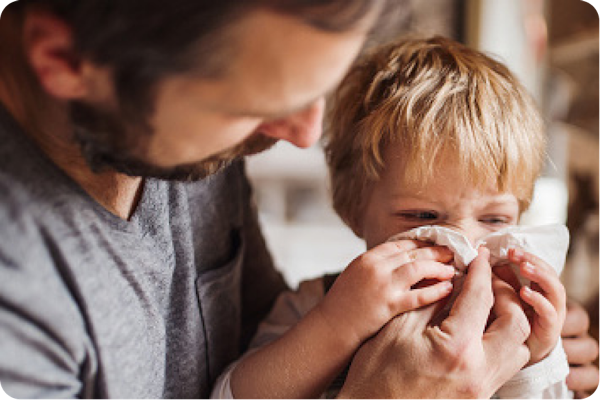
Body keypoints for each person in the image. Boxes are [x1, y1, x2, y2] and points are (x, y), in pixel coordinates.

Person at [0, 0, 597, 399]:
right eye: (251, 104)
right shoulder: (21, 311)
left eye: (315, 90)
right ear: (66, 62)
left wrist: (543, 357)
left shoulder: (190, 145)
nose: (305, 136)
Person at [212, 36, 596, 400]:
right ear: (352, 210)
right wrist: (336, 325)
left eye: (494, 220)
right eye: (423, 216)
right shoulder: (317, 305)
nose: (465, 246)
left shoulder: (514, 312)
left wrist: (539, 360)